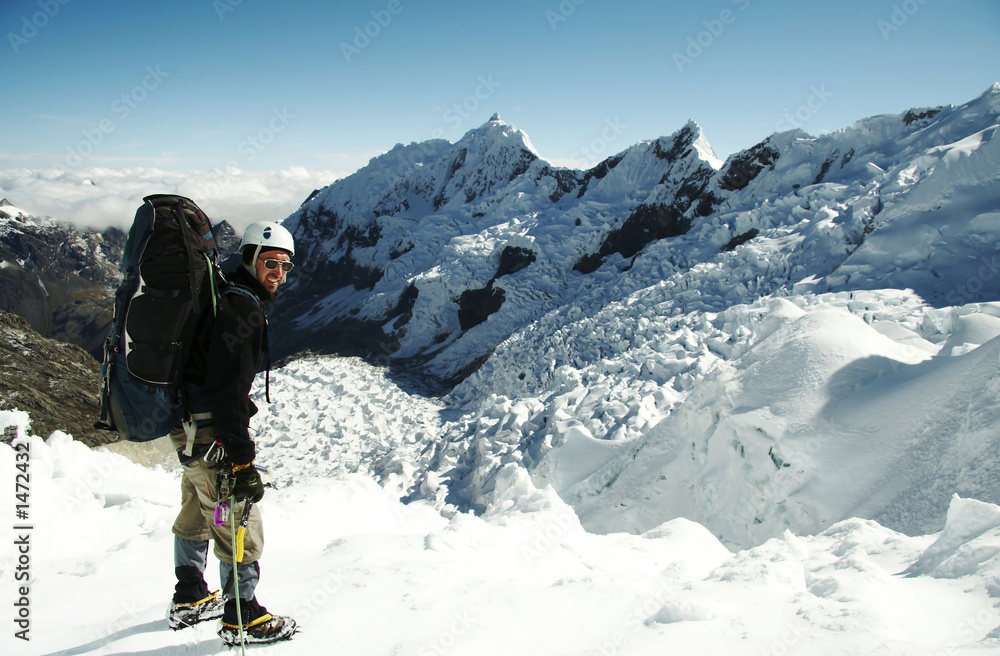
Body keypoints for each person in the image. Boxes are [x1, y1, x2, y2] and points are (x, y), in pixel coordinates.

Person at [165, 221, 297, 646]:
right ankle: (243, 614)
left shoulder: (225, 295)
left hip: (186, 428)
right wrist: (242, 459)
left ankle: (189, 595)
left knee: (198, 506)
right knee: (238, 516)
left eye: (285, 266)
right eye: (271, 262)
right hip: (210, 433)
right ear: (249, 257)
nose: (278, 272)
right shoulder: (244, 309)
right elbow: (227, 391)